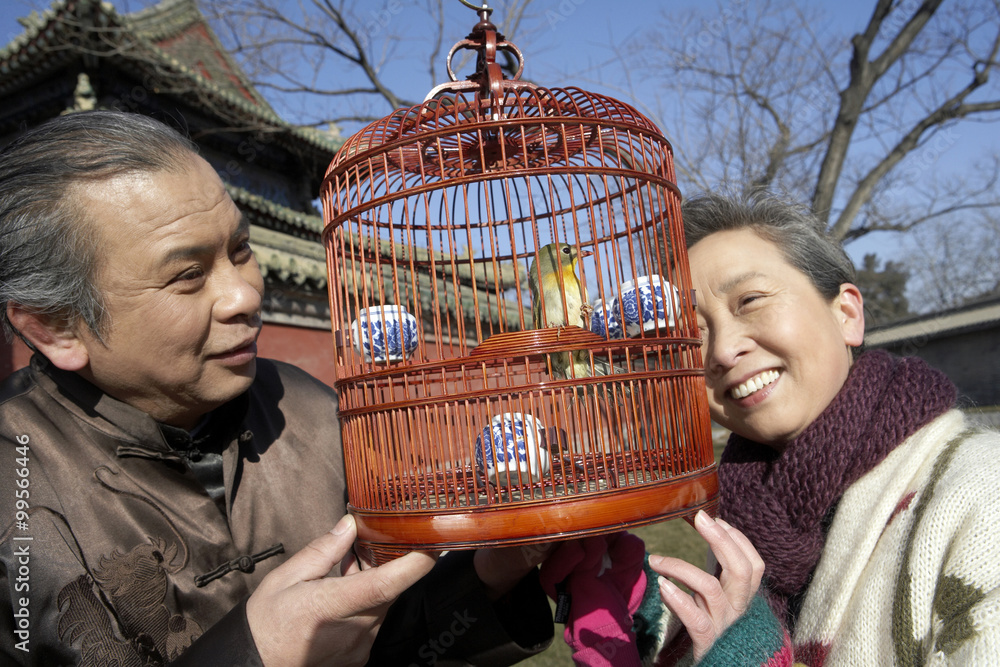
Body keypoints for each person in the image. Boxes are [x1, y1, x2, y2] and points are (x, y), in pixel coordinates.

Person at [0, 110, 554, 666]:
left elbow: (389, 637)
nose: (244, 295)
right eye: (188, 275)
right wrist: (254, 654)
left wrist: (486, 579)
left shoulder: (308, 407)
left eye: (240, 250)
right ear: (56, 326)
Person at [639, 190, 1000, 665]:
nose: (723, 350)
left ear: (846, 313)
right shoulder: (745, 511)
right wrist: (633, 603)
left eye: (750, 300)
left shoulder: (981, 495)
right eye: (691, 334)